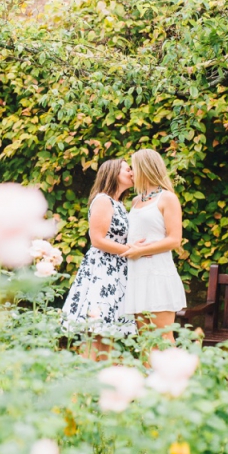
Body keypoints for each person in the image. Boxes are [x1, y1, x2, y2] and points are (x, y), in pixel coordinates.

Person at [62, 159, 141, 360]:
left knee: (108, 333)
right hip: (103, 271)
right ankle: (85, 382)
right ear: (113, 173)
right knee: (96, 332)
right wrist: (131, 250)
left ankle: (101, 382)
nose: (132, 172)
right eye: (127, 169)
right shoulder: (103, 200)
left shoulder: (120, 204)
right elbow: (97, 240)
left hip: (117, 272)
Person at [121, 149, 187, 344]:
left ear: (144, 168)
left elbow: (175, 240)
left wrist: (140, 251)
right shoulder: (135, 201)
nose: (131, 172)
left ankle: (175, 375)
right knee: (145, 339)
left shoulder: (167, 198)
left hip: (157, 273)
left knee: (163, 337)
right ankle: (147, 375)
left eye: (133, 168)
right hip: (137, 274)